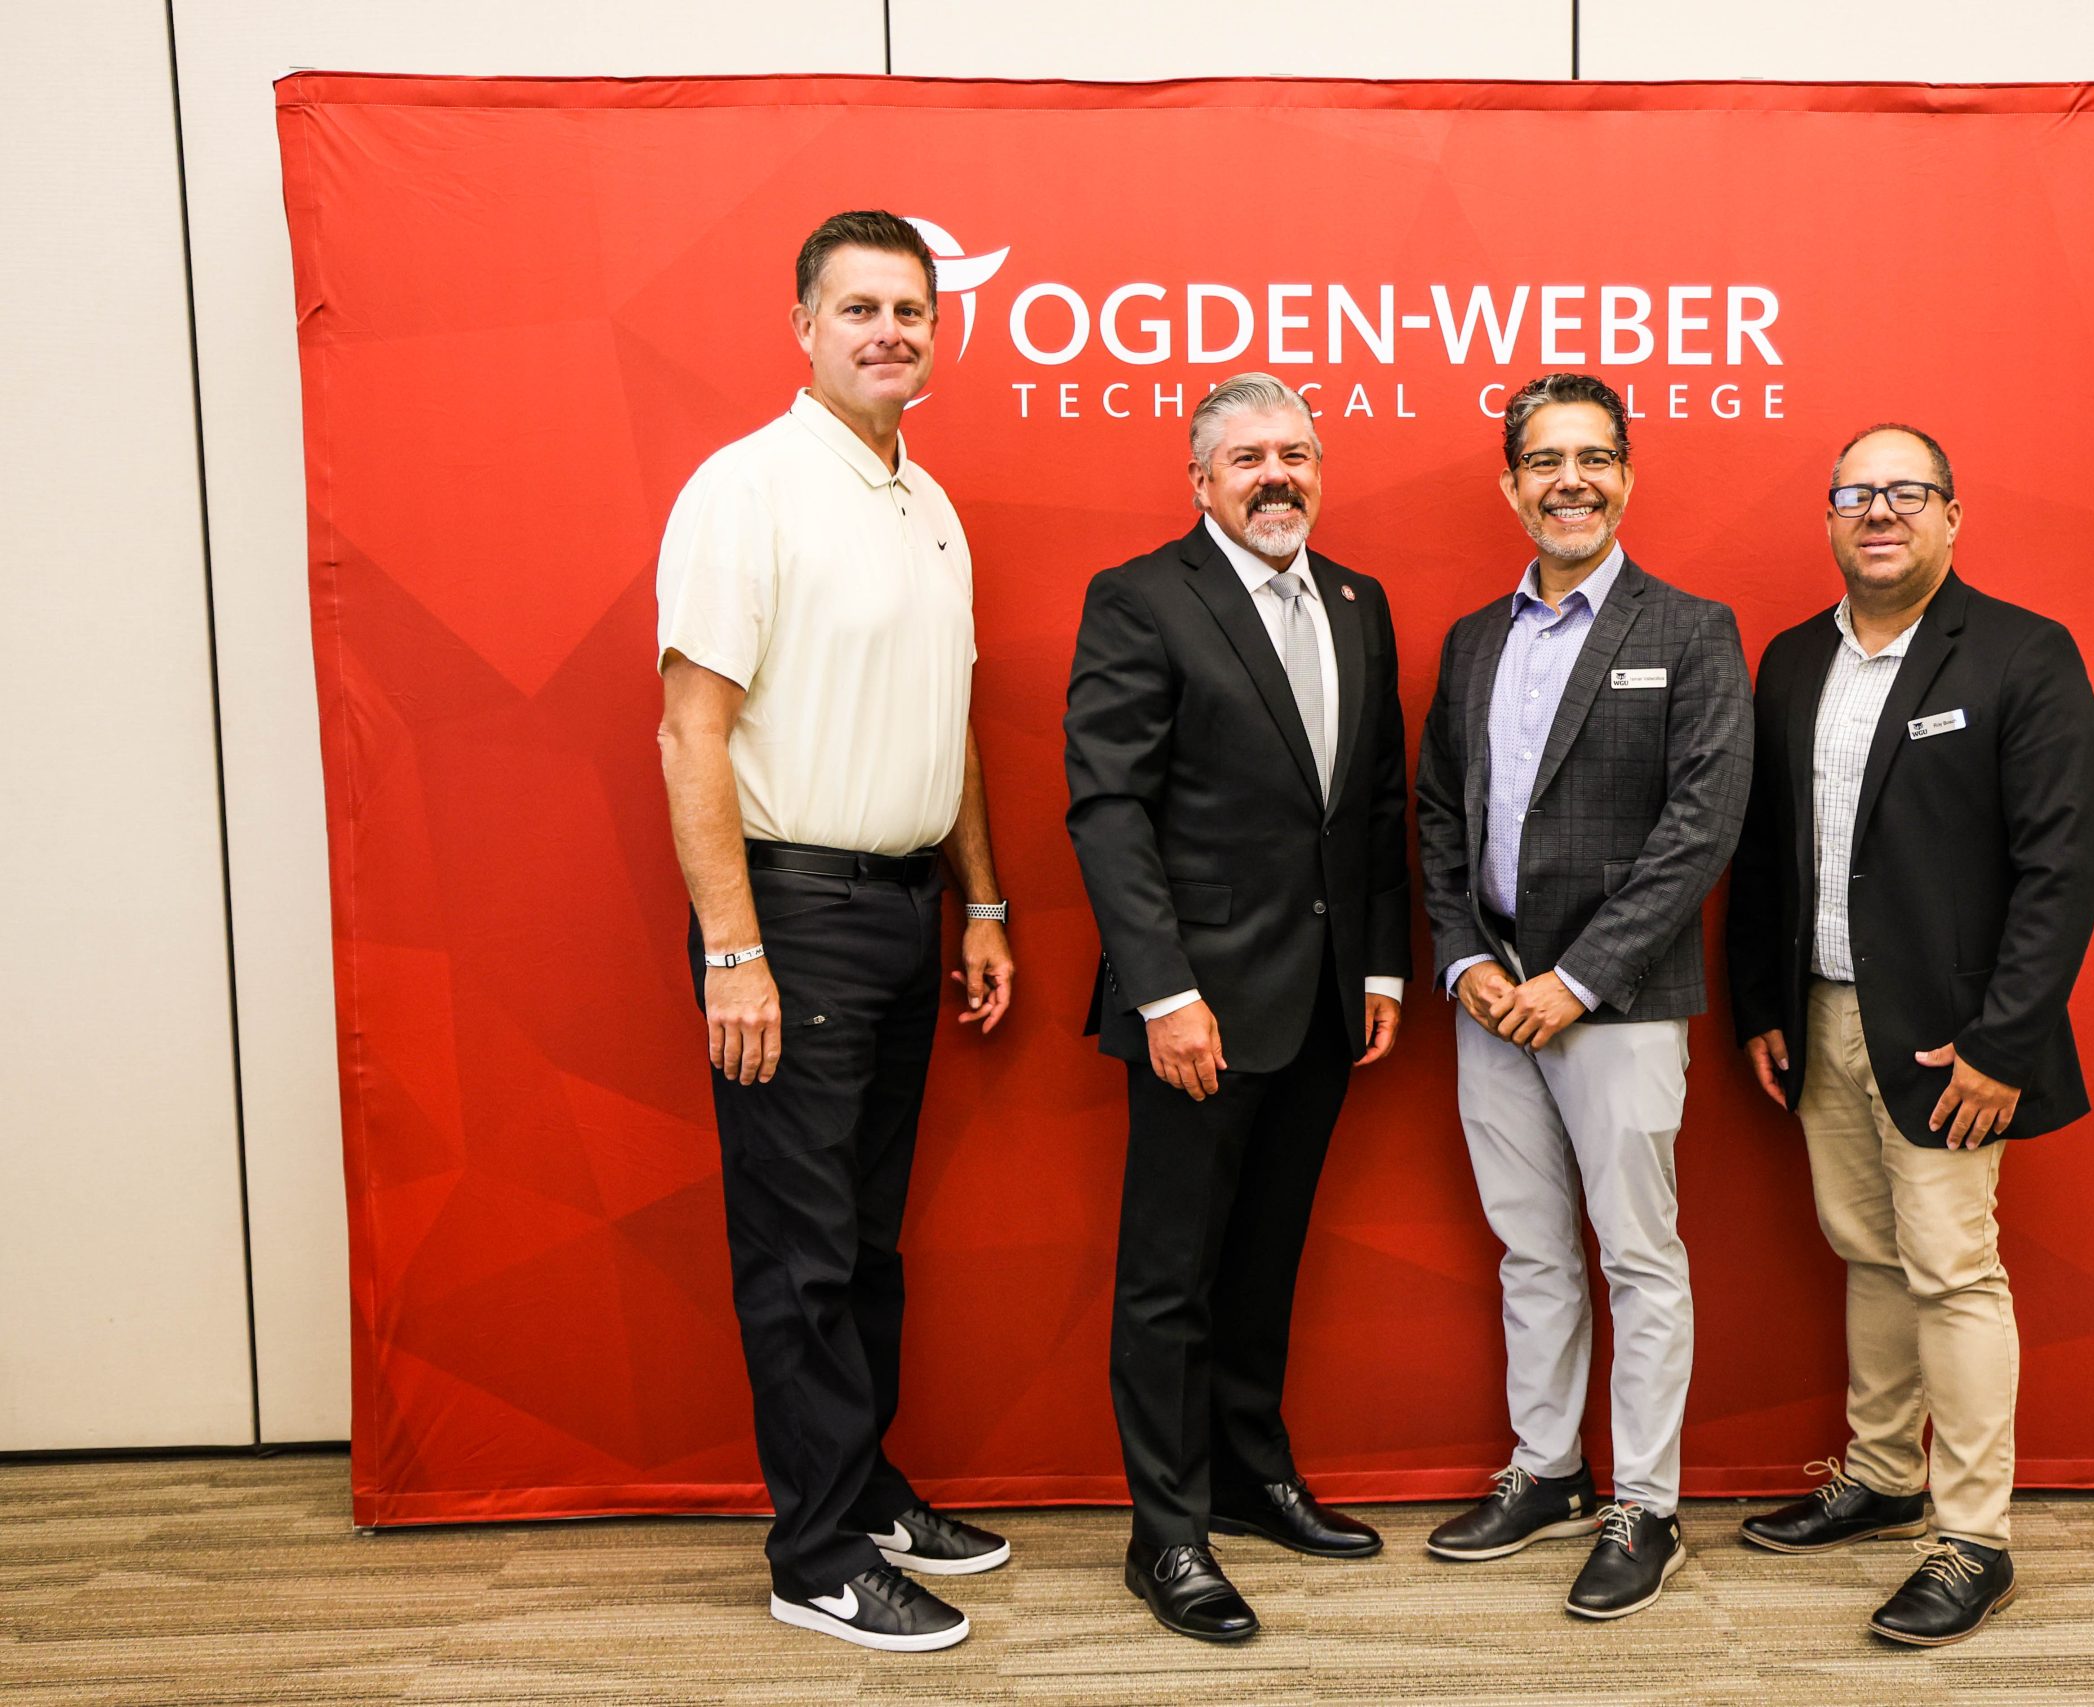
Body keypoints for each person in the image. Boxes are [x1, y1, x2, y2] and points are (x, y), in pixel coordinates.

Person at [654, 210, 1016, 1654]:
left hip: (907, 908)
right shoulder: (747, 488)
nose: (889, 331)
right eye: (859, 308)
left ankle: (864, 1492)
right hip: (790, 916)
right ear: (803, 325)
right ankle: (814, 1556)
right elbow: (690, 731)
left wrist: (982, 899)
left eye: (910, 310)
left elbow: (952, 720)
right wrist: (733, 950)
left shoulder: (928, 502)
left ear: (939, 331)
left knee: (865, 1242)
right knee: (800, 1251)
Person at [1724, 423, 2094, 1646]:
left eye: (1905, 491)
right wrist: (1760, 1006)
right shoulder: (1793, 659)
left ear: (1951, 514)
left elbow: (2059, 870)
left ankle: (1973, 1538)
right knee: (1867, 1251)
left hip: (1954, 1042)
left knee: (1950, 1267)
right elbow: (1767, 853)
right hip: (1820, 1016)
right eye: (1855, 493)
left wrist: (2003, 1045)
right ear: (1830, 518)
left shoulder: (2022, 654)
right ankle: (1884, 1476)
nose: (1878, 511)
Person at [1063, 373, 1412, 1642]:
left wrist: (1380, 968)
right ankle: (1166, 1533)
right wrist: (1165, 993)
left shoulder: (1358, 601)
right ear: (1201, 478)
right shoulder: (1142, 597)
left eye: (1296, 455)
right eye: (1250, 457)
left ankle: (1249, 1476)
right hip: (1196, 1007)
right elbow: (1107, 808)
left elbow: (1374, 800)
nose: (1277, 477)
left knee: (1264, 1260)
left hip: (1322, 1003)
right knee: (1171, 1278)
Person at [1411, 373, 1752, 1620]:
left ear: (1626, 476)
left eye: (1595, 458)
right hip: (1490, 1000)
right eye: (1547, 461)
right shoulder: (1473, 641)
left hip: (1620, 1001)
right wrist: (1465, 961)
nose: (1572, 482)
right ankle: (1548, 1470)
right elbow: (1438, 814)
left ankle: (1645, 1506)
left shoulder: (1691, 630)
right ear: (1511, 485)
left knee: (1639, 1258)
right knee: (1531, 1252)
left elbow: (1700, 826)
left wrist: (1577, 979)